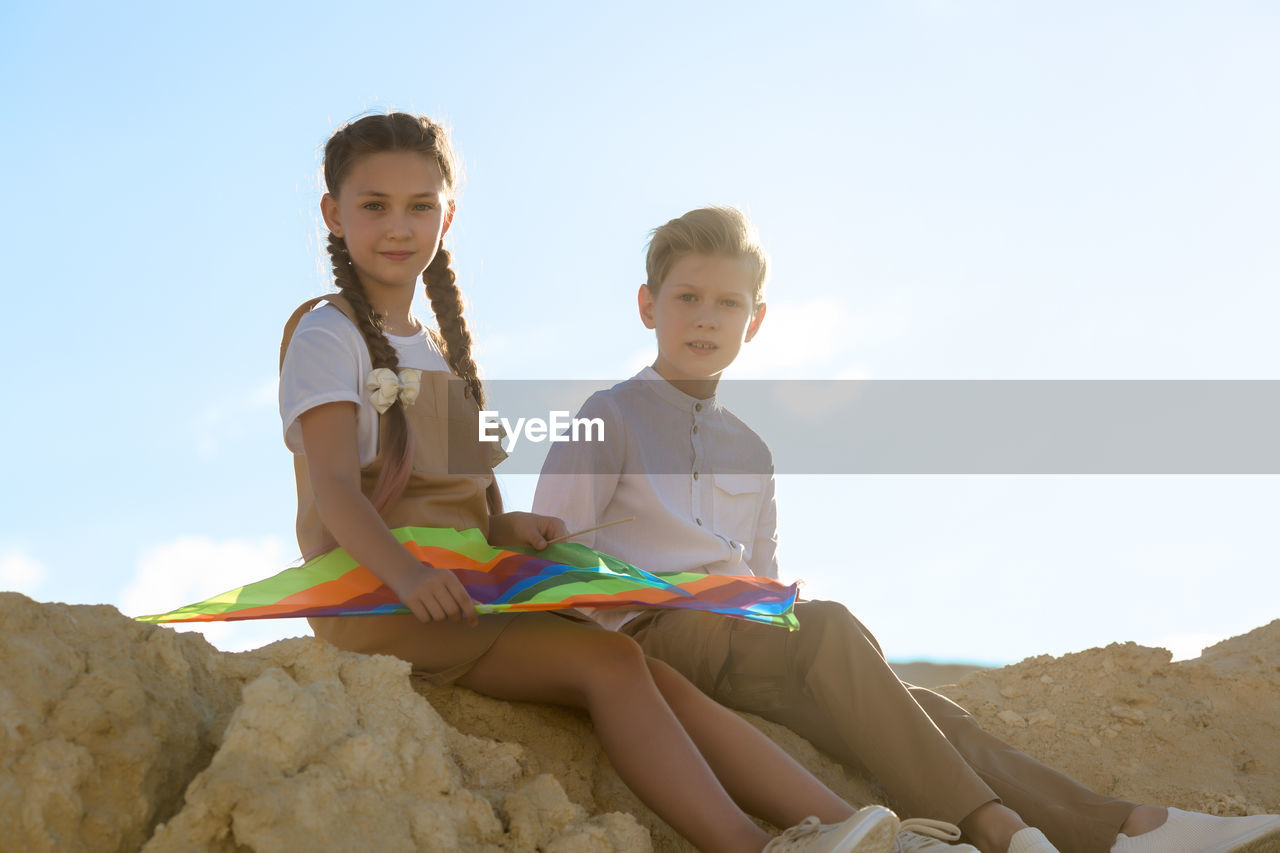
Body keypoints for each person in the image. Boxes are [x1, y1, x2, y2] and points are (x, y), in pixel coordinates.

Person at [532, 206, 1280, 853]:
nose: (704, 317)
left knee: (917, 701)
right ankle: (1000, 828)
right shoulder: (608, 415)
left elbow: (764, 574)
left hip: (745, 642)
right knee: (828, 632)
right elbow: (556, 560)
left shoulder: (751, 450)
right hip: (658, 639)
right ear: (647, 304)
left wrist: (768, 603)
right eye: (687, 296)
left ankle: (1127, 827)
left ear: (754, 321)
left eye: (727, 303)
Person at [278, 112, 914, 853]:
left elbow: (468, 506)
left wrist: (508, 527)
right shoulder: (328, 334)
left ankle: (851, 826)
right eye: (374, 205)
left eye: (420, 206)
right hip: (380, 592)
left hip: (456, 583)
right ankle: (751, 846)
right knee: (608, 661)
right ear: (334, 213)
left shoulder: (440, 349)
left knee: (645, 670)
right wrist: (407, 574)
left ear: (446, 216)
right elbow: (333, 490)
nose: (399, 225)